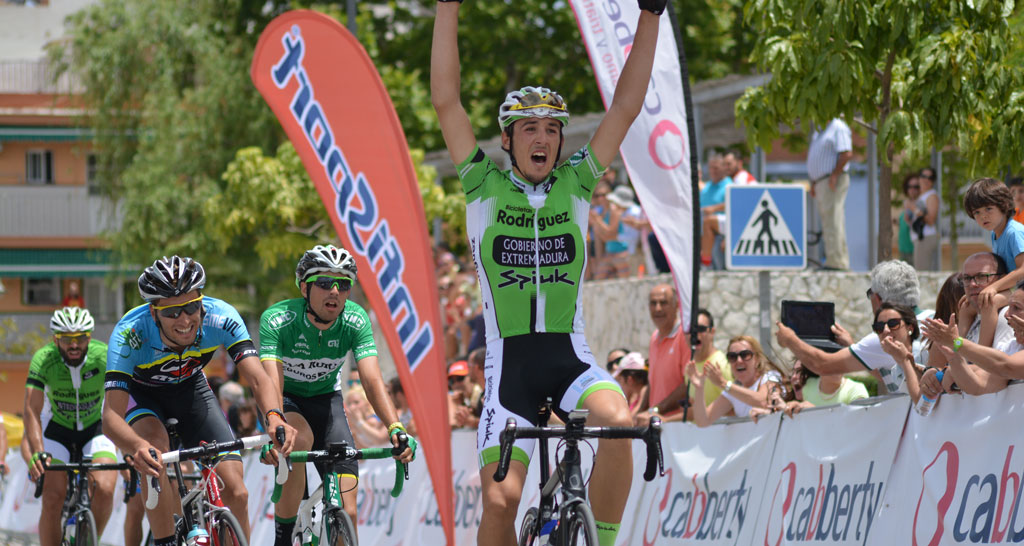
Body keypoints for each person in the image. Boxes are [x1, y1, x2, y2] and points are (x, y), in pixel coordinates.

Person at [431, 0, 665, 540]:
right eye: (528, 128)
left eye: (552, 130)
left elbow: (626, 106)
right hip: (509, 370)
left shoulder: (576, 184)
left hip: (570, 359)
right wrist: (447, 9)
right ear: (507, 140)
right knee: (500, 500)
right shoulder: (481, 186)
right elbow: (446, 101)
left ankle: (600, 538)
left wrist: (650, 16)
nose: (542, 138)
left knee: (621, 423)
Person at [102, 256, 296, 545]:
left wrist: (274, 417)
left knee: (237, 492)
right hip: (144, 397)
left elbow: (257, 378)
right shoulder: (131, 334)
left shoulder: (221, 317)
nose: (184, 320)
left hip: (192, 391)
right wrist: (136, 446)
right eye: (172, 313)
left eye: (192, 307)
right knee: (155, 451)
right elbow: (111, 418)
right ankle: (165, 540)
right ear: (154, 313)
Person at [259, 245, 414, 545]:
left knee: (348, 511)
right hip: (286, 401)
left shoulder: (355, 319)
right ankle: (284, 535)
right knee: (298, 438)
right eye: (324, 283)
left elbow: (371, 378)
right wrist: (275, 422)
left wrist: (395, 427)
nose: (335, 291)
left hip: (327, 403)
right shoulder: (278, 319)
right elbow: (271, 381)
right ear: (304, 287)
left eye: (343, 284)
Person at [25, 307, 117, 546]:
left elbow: (123, 399)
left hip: (95, 426)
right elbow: (31, 409)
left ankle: (87, 541)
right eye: (66, 339)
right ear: (56, 339)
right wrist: (37, 450)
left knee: (106, 489)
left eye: (81, 338)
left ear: (90, 337)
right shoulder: (44, 359)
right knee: (52, 497)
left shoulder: (104, 355)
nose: (74, 345)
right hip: (57, 429)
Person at [776, 260, 922, 394]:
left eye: (869, 294)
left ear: (877, 299)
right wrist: (852, 346)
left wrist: (790, 340)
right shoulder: (934, 319)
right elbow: (891, 377)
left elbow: (822, 365)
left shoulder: (886, 337)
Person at [637, 308, 730, 422]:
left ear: (712, 332)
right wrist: (663, 420)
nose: (695, 334)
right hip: (699, 437)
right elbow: (693, 413)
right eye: (689, 330)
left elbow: (734, 408)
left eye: (700, 329)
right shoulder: (691, 367)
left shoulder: (721, 365)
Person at [687, 336, 774, 426]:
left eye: (745, 355)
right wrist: (699, 387)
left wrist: (723, 383)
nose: (739, 361)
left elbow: (763, 401)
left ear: (757, 359)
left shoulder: (771, 377)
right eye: (732, 357)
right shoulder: (733, 391)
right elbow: (703, 421)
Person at [963, 177, 1024, 300]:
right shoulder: (994, 234)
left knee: (991, 302)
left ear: (1004, 205)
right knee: (968, 305)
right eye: (977, 212)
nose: (983, 216)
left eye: (988, 209)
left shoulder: (1014, 232)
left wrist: (994, 287)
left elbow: (1022, 270)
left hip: (1020, 289)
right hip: (1014, 288)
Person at [806, 118, 852, 270]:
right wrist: (814, 181)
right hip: (821, 181)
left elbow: (846, 153)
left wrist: (834, 175)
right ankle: (833, 259)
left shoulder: (837, 125)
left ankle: (837, 262)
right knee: (827, 221)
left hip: (832, 180)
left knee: (834, 219)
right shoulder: (820, 131)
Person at [644, 284, 692, 419]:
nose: (657, 308)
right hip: (656, 422)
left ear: (677, 306)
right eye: (653, 303)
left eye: (663, 303)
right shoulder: (654, 337)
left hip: (676, 425)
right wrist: (638, 412)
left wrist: (657, 409)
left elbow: (689, 383)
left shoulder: (684, 336)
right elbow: (653, 383)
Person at [698, 156, 733, 268]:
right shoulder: (706, 187)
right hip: (703, 235)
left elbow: (734, 204)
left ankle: (705, 261)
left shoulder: (730, 185)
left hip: (722, 231)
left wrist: (714, 209)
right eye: (711, 168)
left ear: (724, 168)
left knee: (708, 222)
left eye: (716, 168)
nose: (713, 171)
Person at [912, 167, 940, 271]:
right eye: (924, 176)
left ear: (933, 181)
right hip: (920, 238)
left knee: (921, 274)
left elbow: (931, 220)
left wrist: (914, 209)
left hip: (925, 238)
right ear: (919, 178)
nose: (926, 180)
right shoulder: (922, 196)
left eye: (930, 177)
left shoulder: (932, 195)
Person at [612, 352, 649, 416]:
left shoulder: (644, 391)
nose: (619, 384)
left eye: (620, 380)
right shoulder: (635, 396)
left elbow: (631, 419)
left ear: (630, 380)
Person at [898, 173, 921, 263]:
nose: (912, 190)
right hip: (903, 249)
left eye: (915, 187)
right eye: (909, 186)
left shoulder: (920, 204)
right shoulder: (907, 203)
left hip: (913, 250)